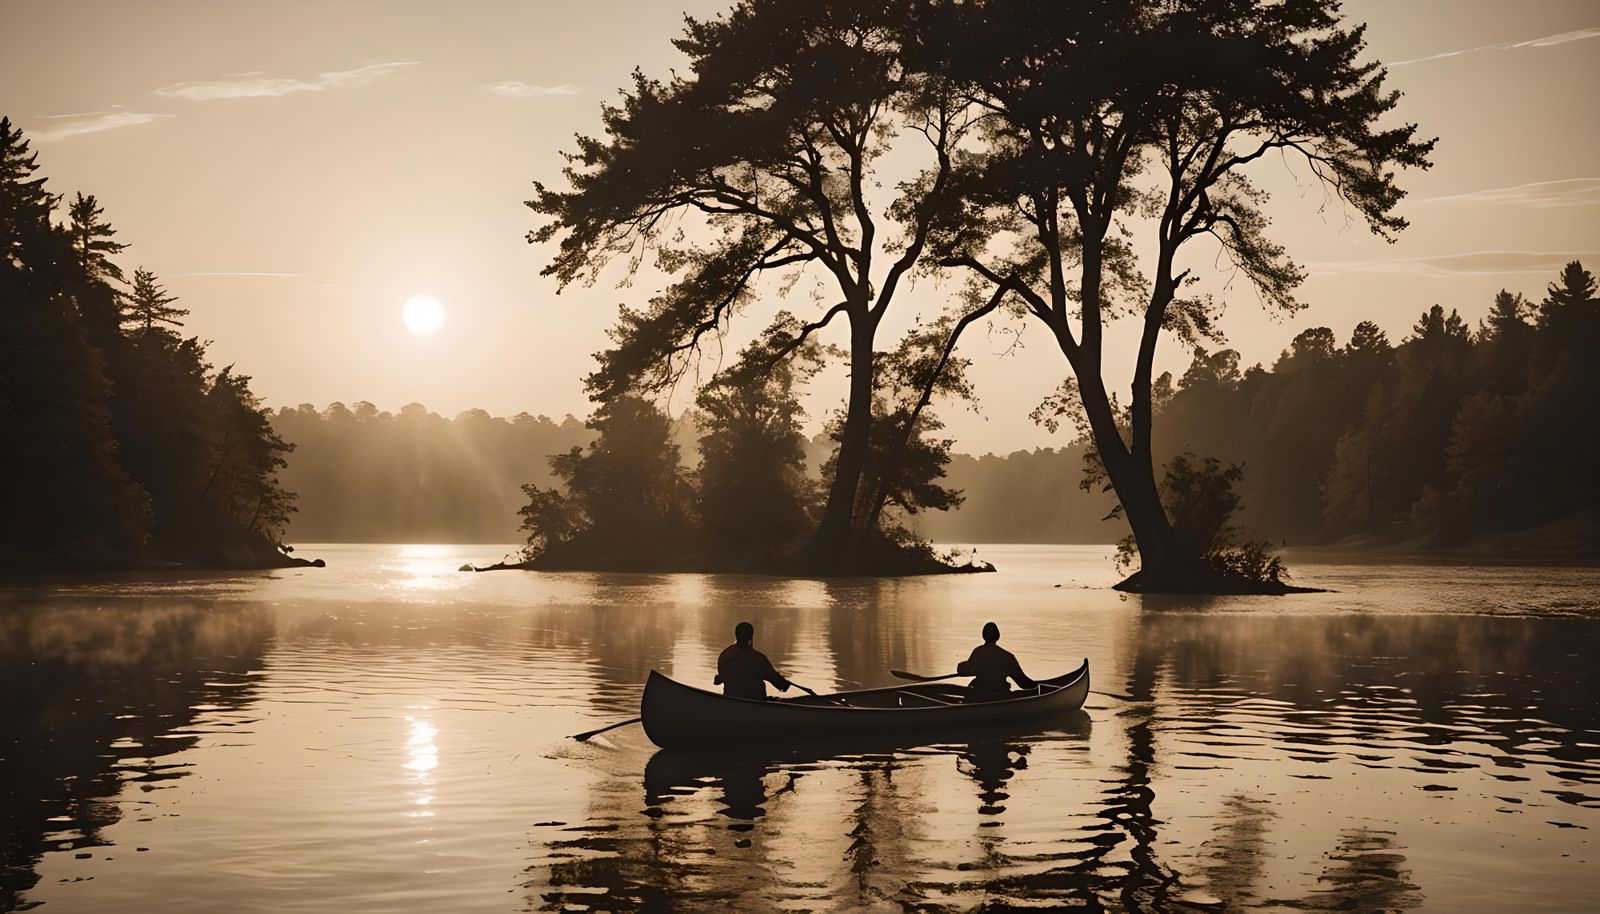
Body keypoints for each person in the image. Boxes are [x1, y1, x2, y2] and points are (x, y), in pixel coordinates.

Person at [956, 622, 1036, 701]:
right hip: (1000, 696)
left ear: (983, 636)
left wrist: (965, 665)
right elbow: (1023, 683)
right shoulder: (1008, 657)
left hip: (979, 696)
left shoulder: (978, 652)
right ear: (998, 636)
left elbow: (963, 671)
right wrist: (1037, 686)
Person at [714, 621, 794, 700]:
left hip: (731, 699)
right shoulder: (758, 658)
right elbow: (781, 685)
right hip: (756, 700)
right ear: (751, 637)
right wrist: (784, 683)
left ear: (736, 635)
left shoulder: (724, 655)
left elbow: (724, 675)